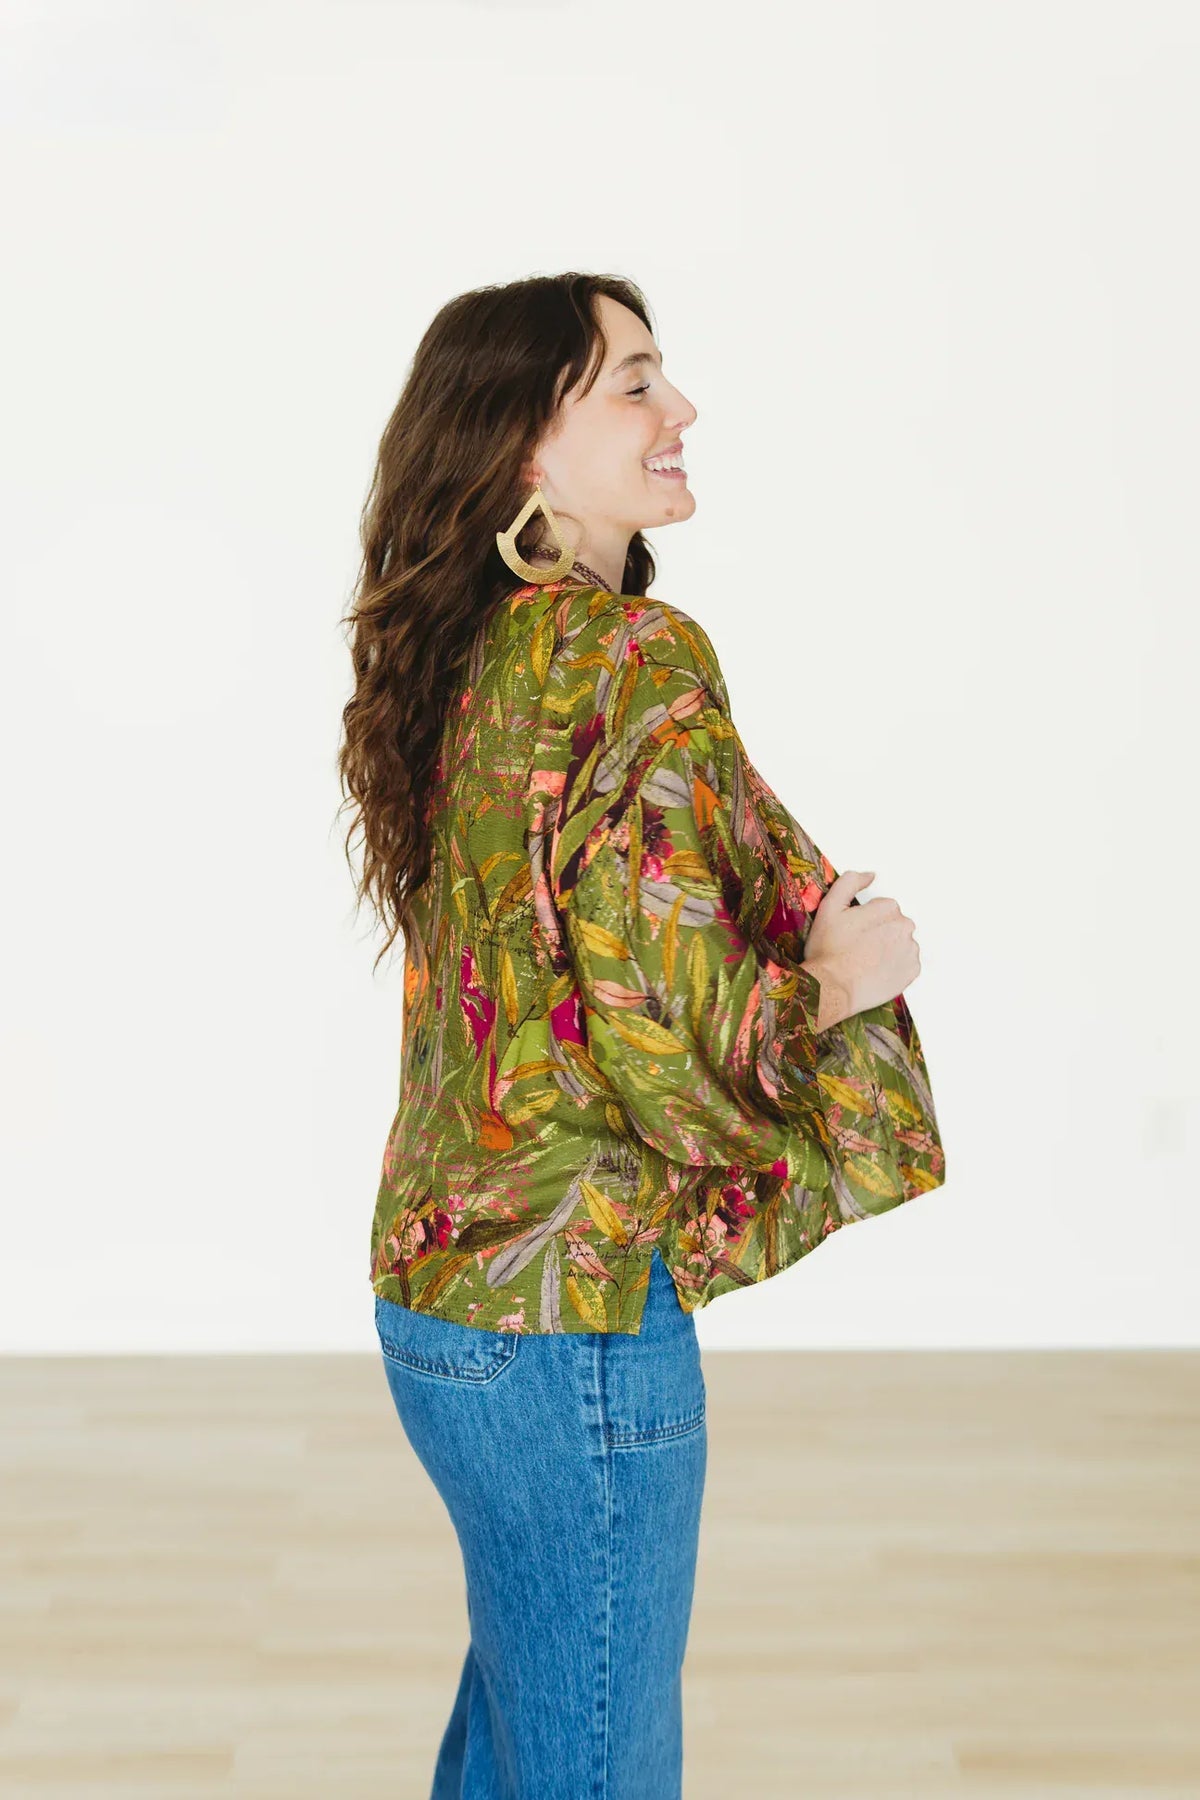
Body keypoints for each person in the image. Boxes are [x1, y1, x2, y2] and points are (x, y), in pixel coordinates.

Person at [338, 272, 945, 1799]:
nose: (682, 410)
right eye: (634, 382)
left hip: (443, 1304)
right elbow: (659, 1017)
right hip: (575, 1321)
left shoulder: (469, 658)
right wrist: (841, 978)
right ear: (523, 446)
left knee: (518, 1737)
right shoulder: (628, 657)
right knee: (594, 1767)